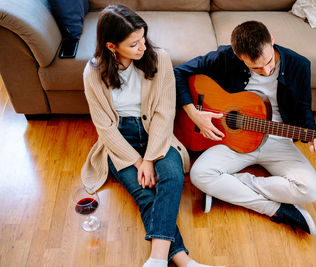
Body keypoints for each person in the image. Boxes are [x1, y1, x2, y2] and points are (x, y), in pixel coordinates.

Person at [81, 5, 224, 267]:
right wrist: (138, 162)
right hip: (120, 142)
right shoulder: (92, 73)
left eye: (143, 39)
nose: (143, 47)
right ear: (112, 46)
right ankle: (184, 261)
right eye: (134, 44)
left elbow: (164, 114)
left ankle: (157, 260)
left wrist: (149, 158)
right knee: (145, 193)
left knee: (172, 177)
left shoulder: (160, 59)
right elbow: (105, 129)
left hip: (157, 136)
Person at [174, 21, 316, 236]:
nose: (265, 70)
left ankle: (231, 185)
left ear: (272, 40)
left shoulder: (299, 65)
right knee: (199, 174)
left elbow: (304, 109)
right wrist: (195, 114)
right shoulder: (226, 57)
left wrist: (314, 135)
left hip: (277, 140)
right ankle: (275, 210)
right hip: (233, 141)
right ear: (240, 57)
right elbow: (178, 73)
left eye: (268, 62)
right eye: (256, 67)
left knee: (310, 189)